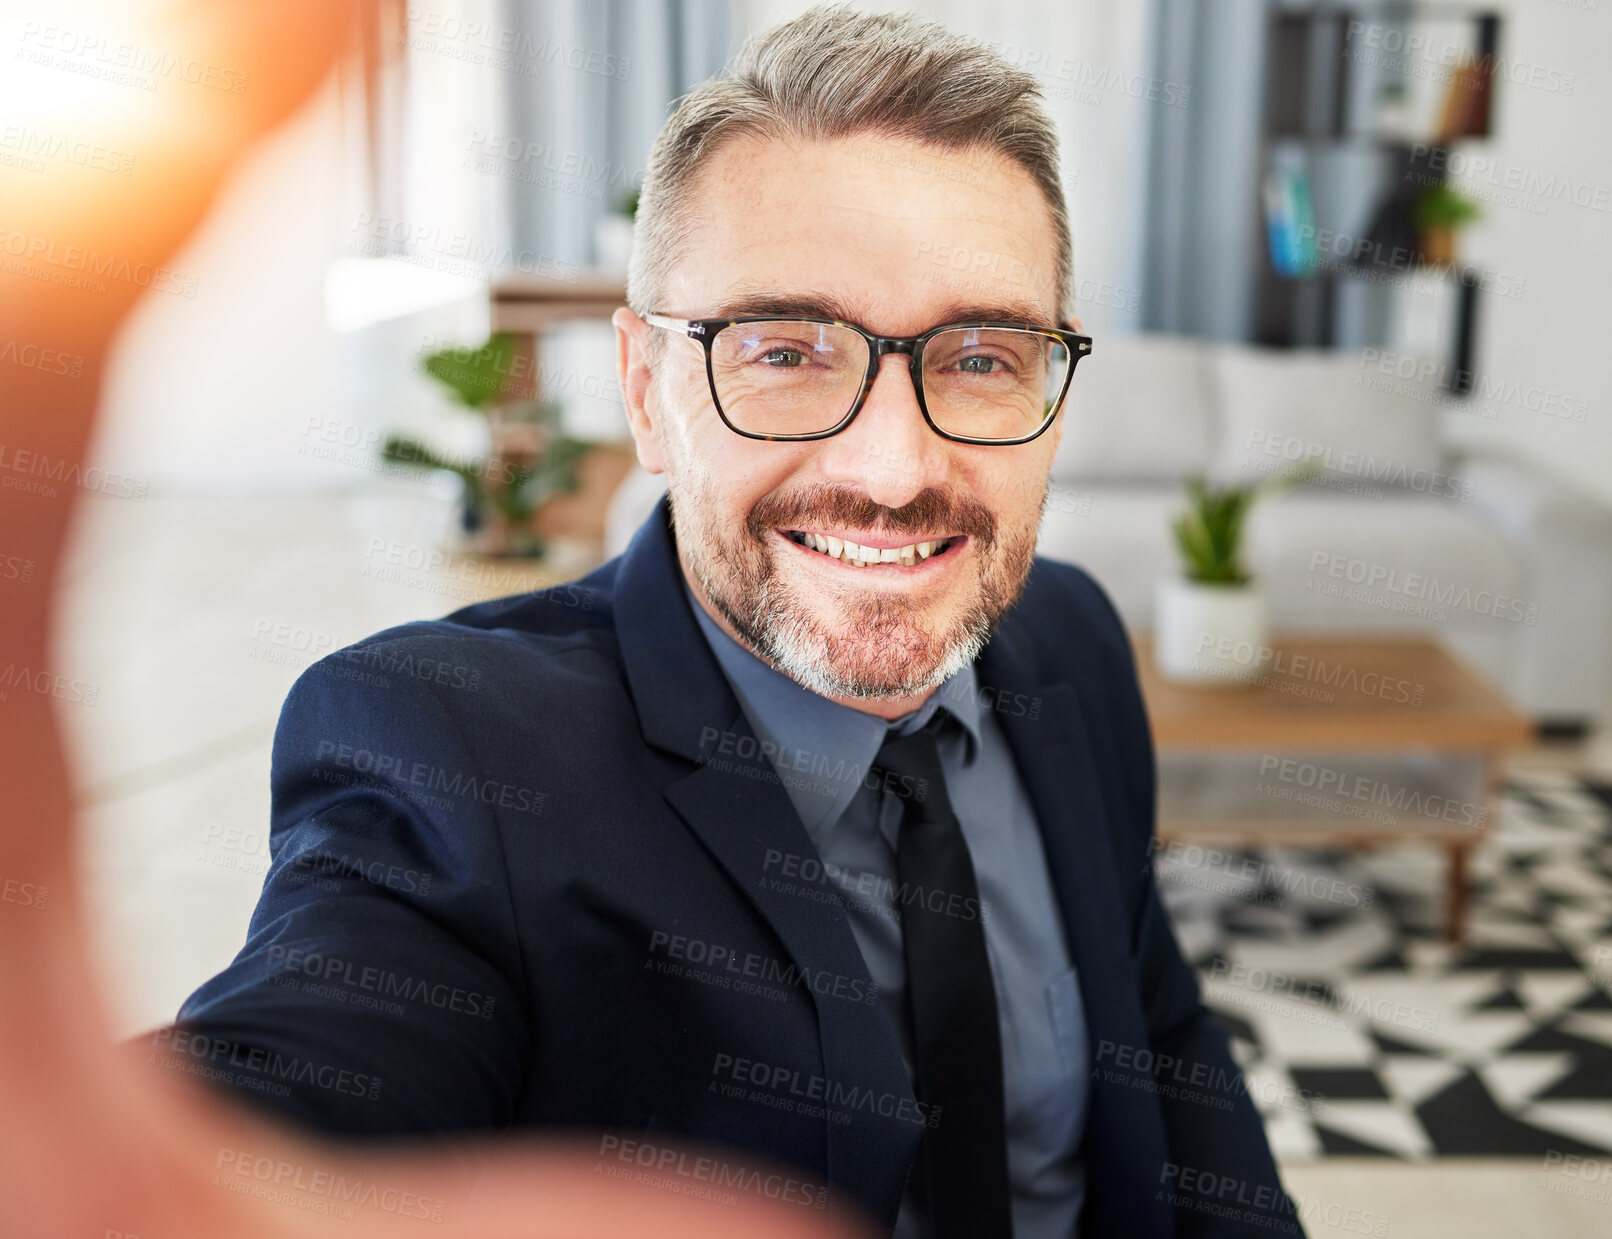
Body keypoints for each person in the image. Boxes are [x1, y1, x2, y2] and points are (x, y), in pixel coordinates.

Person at [173, 6, 1300, 1237]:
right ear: (646, 395)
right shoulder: (454, 752)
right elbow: (279, 1110)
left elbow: (1159, 1027)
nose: (889, 470)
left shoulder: (1070, 643)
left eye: (980, 356)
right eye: (784, 351)